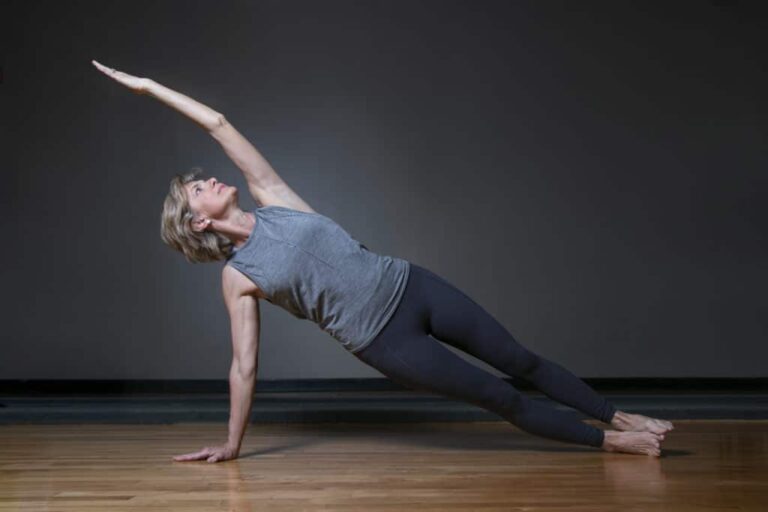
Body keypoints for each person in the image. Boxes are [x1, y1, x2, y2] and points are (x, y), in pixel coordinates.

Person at [92, 60, 673, 463]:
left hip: (412, 285)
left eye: (201, 179)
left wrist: (147, 86)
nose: (207, 180)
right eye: (196, 190)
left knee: (519, 358)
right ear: (197, 222)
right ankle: (611, 444)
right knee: (501, 397)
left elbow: (217, 123)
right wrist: (232, 442)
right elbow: (243, 366)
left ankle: (617, 416)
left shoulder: (275, 200)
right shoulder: (239, 277)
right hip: (387, 342)